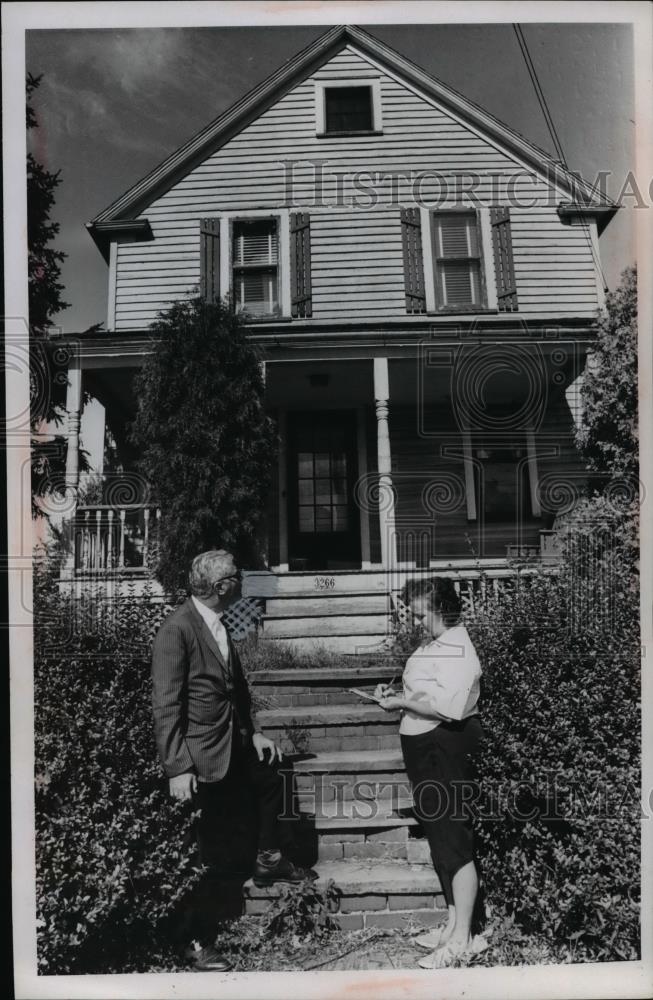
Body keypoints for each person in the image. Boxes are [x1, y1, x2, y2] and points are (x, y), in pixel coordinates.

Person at [152, 548, 316, 972]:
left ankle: (269, 857)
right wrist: (178, 766)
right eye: (238, 578)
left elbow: (236, 689)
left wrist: (256, 732)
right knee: (204, 850)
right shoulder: (178, 629)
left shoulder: (219, 624)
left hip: (233, 743)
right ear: (223, 586)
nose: (243, 583)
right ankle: (195, 941)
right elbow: (166, 704)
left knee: (274, 771)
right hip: (201, 754)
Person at [376, 576, 488, 968]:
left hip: (446, 746)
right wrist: (396, 697)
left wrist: (401, 703)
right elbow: (422, 693)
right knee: (439, 838)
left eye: (421, 614)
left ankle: (463, 939)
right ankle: (453, 923)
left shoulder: (460, 649)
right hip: (424, 747)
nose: (416, 621)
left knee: (454, 838)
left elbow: (450, 706)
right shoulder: (434, 644)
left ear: (440, 610)